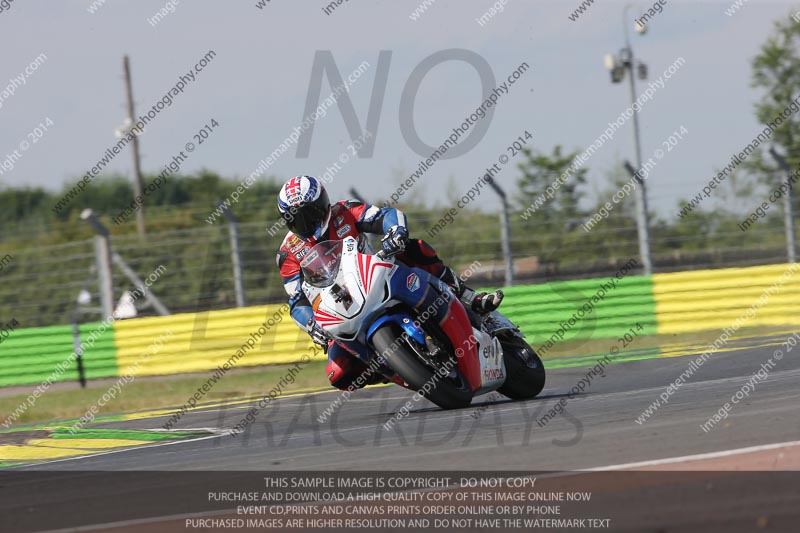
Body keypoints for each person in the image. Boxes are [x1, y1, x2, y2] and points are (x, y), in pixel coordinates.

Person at [276, 175, 503, 390]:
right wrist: (311, 326)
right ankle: (395, 367)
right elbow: (297, 301)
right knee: (338, 374)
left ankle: (468, 297)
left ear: (323, 203)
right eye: (295, 219)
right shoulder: (288, 253)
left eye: (310, 213)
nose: (306, 223)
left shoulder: (344, 210)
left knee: (414, 248)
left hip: (374, 275)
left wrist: (396, 231)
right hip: (340, 307)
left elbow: (384, 216)